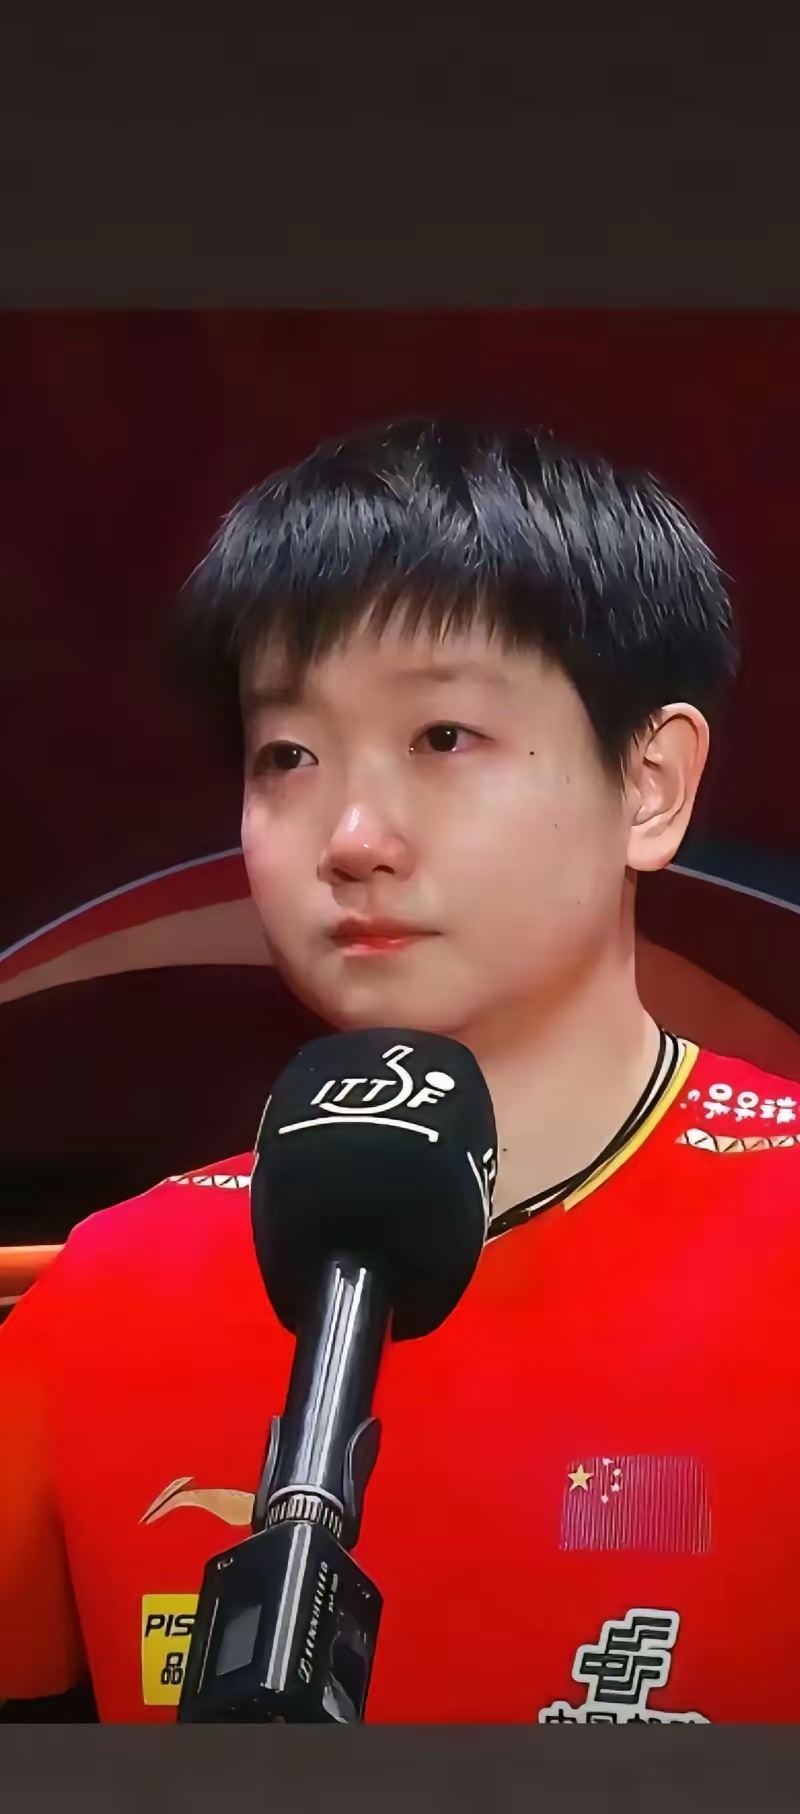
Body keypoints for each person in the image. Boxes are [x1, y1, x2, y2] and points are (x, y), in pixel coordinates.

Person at [1, 417, 798, 1726]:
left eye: (442, 737)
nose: (353, 837)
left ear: (651, 784)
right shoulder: (104, 1296)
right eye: (288, 756)